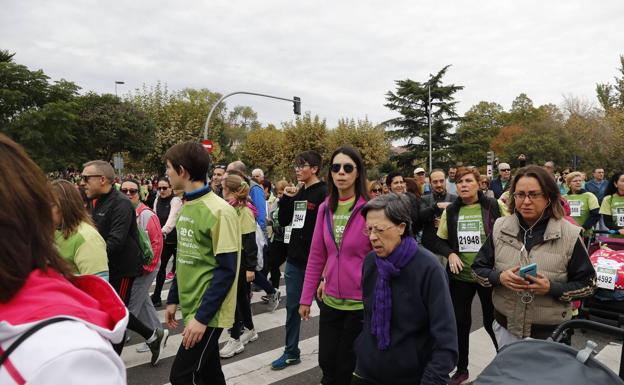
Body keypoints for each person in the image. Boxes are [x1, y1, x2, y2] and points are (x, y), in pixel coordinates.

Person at [0, 134, 127, 384]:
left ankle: (152, 335)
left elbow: (103, 269)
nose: (82, 182)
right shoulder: (60, 231)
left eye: (85, 178)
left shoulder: (65, 358)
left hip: (74, 311)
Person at [473, 165, 595, 347]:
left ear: (548, 197)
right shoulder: (500, 228)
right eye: (520, 194)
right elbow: (477, 270)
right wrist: (499, 277)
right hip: (506, 329)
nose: (526, 201)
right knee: (507, 375)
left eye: (534, 194)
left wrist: (552, 288)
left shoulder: (569, 234)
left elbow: (588, 285)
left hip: (550, 334)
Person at [352, 193, 458, 385]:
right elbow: (368, 317)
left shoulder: (429, 268)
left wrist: (431, 380)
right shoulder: (371, 262)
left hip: (413, 376)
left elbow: (446, 341)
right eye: (368, 230)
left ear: (401, 227)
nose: (373, 237)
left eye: (380, 229)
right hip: (368, 371)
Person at [163, 141, 240, 385]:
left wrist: (202, 318)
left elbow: (227, 271)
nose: (166, 173)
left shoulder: (220, 211)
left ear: (182, 171)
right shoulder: (187, 205)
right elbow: (183, 257)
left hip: (209, 313)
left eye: (169, 168)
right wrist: (173, 297)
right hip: (191, 305)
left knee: (182, 376)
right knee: (209, 373)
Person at [81, 160, 167, 364]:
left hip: (122, 269)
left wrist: (88, 255)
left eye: (86, 178)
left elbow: (115, 242)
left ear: (102, 180)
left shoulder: (121, 203)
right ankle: (153, 335)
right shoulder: (92, 199)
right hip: (105, 267)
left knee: (117, 313)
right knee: (118, 309)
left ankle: (111, 362)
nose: (83, 182)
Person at [299, 146, 371, 385]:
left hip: (359, 305)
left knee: (345, 367)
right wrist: (305, 298)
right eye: (336, 167)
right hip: (330, 301)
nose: (341, 173)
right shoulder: (324, 208)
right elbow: (317, 256)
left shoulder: (370, 210)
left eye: (348, 168)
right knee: (327, 362)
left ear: (358, 173)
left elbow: (381, 258)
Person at [431, 167, 504, 385]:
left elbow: (510, 230)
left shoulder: (493, 206)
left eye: (468, 181)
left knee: (494, 323)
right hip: (460, 277)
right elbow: (438, 240)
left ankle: (506, 363)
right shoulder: (451, 211)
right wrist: (450, 253)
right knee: (460, 324)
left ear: (479, 184)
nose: (463, 184)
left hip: (488, 276)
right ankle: (461, 369)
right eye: (460, 181)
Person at [271, 150, 328, 370]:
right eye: (296, 166)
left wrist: (325, 269)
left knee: (328, 312)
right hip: (295, 262)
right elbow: (285, 221)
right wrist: (286, 197)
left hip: (318, 265)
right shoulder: (298, 192)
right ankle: (291, 351)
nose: (297, 169)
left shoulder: (324, 193)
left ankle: (331, 356)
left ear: (314, 169)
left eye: (301, 165)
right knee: (292, 308)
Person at [120, 179, 165, 354]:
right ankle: (158, 333)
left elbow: (157, 242)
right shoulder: (125, 212)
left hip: (145, 268)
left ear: (140, 194)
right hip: (134, 268)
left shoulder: (146, 214)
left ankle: (122, 336)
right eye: (124, 191)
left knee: (131, 306)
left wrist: (148, 267)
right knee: (144, 302)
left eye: (133, 191)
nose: (128, 194)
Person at [219, 174, 261, 358]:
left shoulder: (244, 211)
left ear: (229, 189)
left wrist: (250, 268)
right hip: (233, 257)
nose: (221, 189)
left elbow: (250, 242)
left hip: (240, 260)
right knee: (241, 298)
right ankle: (250, 329)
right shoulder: (232, 207)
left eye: (223, 186)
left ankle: (235, 339)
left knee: (234, 300)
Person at [51, 179, 109, 280]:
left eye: (50, 205)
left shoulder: (88, 238)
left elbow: (97, 285)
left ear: (65, 206)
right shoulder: (52, 231)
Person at [151, 177, 183, 307]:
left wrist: (162, 231)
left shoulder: (175, 200)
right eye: (159, 188)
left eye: (165, 188)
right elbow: (154, 217)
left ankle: (181, 298)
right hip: (164, 240)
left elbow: (173, 218)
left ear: (171, 188)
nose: (162, 191)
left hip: (177, 240)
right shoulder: (157, 199)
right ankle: (157, 296)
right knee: (160, 268)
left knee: (180, 270)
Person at [420, 169, 457, 253]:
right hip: (429, 249)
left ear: (445, 181)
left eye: (441, 181)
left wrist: (446, 223)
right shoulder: (424, 199)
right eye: (435, 182)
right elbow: (420, 218)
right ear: (430, 183)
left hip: (449, 249)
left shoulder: (455, 199)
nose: (439, 184)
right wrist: (436, 207)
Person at [265, 180, 290, 292]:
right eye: (278, 193)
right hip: (276, 238)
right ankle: (274, 290)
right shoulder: (276, 202)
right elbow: (272, 217)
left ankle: (274, 289)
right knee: (271, 263)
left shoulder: (290, 203)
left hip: (287, 240)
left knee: (277, 264)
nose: (280, 196)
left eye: (282, 193)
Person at [563, 171, 600, 240]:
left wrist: (584, 227)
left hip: (585, 234)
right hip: (567, 235)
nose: (578, 182)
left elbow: (596, 214)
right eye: (575, 181)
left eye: (580, 181)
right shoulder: (564, 198)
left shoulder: (589, 196)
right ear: (569, 184)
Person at [599, 171, 624, 245]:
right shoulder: (608, 199)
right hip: (616, 239)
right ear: (615, 184)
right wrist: (619, 229)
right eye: (623, 181)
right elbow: (607, 221)